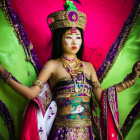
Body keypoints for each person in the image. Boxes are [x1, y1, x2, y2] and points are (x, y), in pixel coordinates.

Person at [0, 1, 140, 140]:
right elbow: (31, 94)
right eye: (69, 37)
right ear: (59, 39)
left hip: (87, 134)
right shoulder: (52, 65)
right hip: (61, 134)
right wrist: (3, 73)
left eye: (78, 37)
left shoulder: (89, 67)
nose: (74, 42)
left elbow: (102, 98)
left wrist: (130, 80)